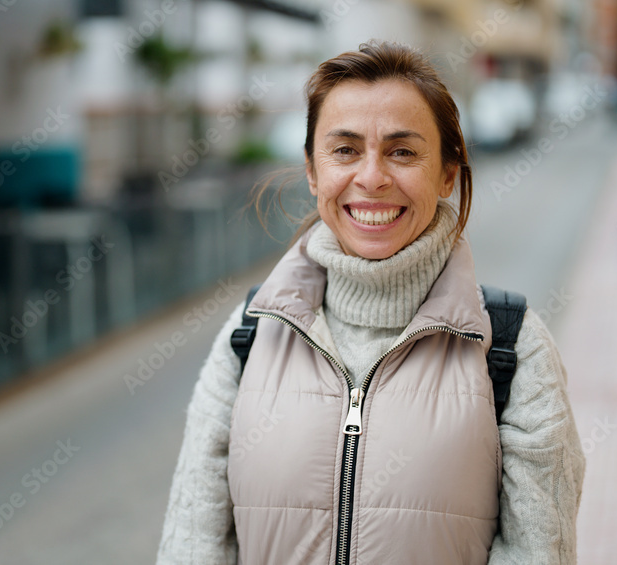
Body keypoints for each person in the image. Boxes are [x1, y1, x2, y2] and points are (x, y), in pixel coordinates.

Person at [156, 41, 585, 564]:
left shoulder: (513, 350)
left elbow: (538, 553)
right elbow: (192, 545)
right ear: (313, 171)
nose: (373, 177)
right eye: (345, 150)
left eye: (402, 151)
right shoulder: (248, 337)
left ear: (447, 172)